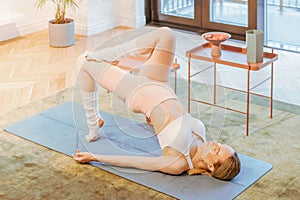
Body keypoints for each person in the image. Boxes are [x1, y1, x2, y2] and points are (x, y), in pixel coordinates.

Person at [72, 27, 241, 181]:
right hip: (160, 82)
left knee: (84, 61)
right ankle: (112, 55)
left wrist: (94, 157)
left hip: (138, 92)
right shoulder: (202, 139)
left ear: (211, 166)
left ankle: (93, 123)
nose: (215, 143)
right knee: (166, 35)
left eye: (217, 150)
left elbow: (136, 162)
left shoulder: (177, 163)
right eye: (221, 144)